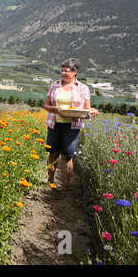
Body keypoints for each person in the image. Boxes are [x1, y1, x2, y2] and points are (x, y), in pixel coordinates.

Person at [44, 58, 99, 196]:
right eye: (62, 70)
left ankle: (65, 187)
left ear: (75, 72)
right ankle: (50, 181)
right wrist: (56, 110)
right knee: (53, 153)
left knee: (67, 156)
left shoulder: (83, 88)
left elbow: (86, 108)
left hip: (72, 126)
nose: (63, 73)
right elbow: (46, 105)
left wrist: (93, 112)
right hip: (54, 124)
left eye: (66, 71)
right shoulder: (55, 85)